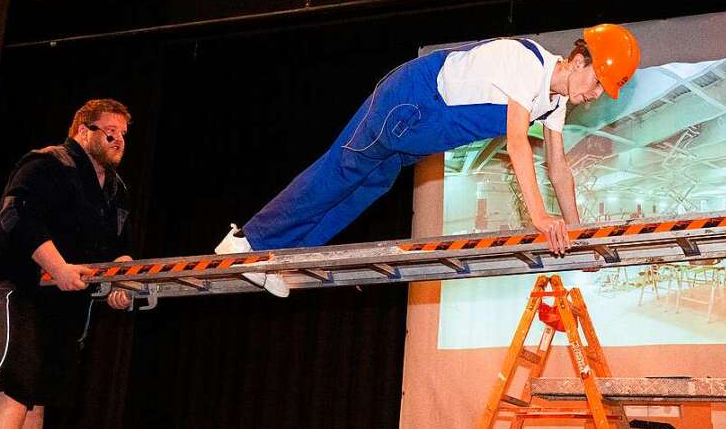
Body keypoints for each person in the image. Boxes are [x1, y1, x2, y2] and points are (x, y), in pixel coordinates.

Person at [217, 24, 641, 297]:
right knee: (343, 170)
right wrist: (541, 217)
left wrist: (582, 237)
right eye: (598, 83)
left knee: (368, 185)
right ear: (579, 60)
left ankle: (279, 259)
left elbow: (559, 168)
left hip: (425, 130)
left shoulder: (555, 103)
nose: (596, 95)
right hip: (411, 102)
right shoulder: (525, 63)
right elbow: (516, 144)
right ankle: (248, 242)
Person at [0, 99, 135, 429]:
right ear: (82, 130)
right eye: (108, 130)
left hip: (62, 294)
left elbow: (119, 252)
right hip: (13, 281)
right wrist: (56, 266)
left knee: (41, 392)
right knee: (15, 380)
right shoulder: (47, 163)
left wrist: (121, 282)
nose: (118, 139)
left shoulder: (116, 190)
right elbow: (15, 215)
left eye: (124, 134)